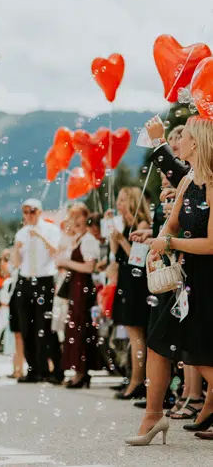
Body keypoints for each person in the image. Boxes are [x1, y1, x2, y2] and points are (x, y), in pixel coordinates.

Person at [127, 116, 213, 445]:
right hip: (183, 282)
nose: (180, 142)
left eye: (185, 137)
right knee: (158, 345)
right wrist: (158, 244)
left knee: (200, 356)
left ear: (197, 143)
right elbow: (172, 224)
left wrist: (170, 244)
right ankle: (152, 419)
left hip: (206, 281)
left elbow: (211, 244)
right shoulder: (188, 182)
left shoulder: (212, 184)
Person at [12, 198, 63, 384]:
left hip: (44, 281)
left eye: (32, 211)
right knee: (27, 327)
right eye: (25, 212)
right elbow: (16, 263)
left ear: (39, 212)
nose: (28, 215)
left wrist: (40, 237)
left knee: (46, 327)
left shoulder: (51, 230)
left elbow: (56, 253)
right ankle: (33, 370)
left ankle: (54, 369)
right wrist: (16, 249)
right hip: (25, 281)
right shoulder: (21, 233)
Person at [110, 186, 152, 400]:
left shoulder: (142, 225)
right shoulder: (124, 225)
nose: (119, 203)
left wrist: (123, 240)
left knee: (137, 335)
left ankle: (138, 382)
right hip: (126, 282)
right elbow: (115, 255)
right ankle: (134, 379)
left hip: (137, 284)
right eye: (118, 199)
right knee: (132, 335)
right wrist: (113, 233)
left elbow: (137, 259)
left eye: (123, 199)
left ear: (134, 202)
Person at [57, 203, 101, 389]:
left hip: (82, 286)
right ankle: (77, 371)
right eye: (72, 216)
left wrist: (67, 262)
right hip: (75, 286)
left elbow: (89, 267)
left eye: (79, 216)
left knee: (81, 328)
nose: (75, 220)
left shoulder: (88, 240)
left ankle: (82, 372)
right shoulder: (77, 238)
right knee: (74, 328)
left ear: (85, 217)